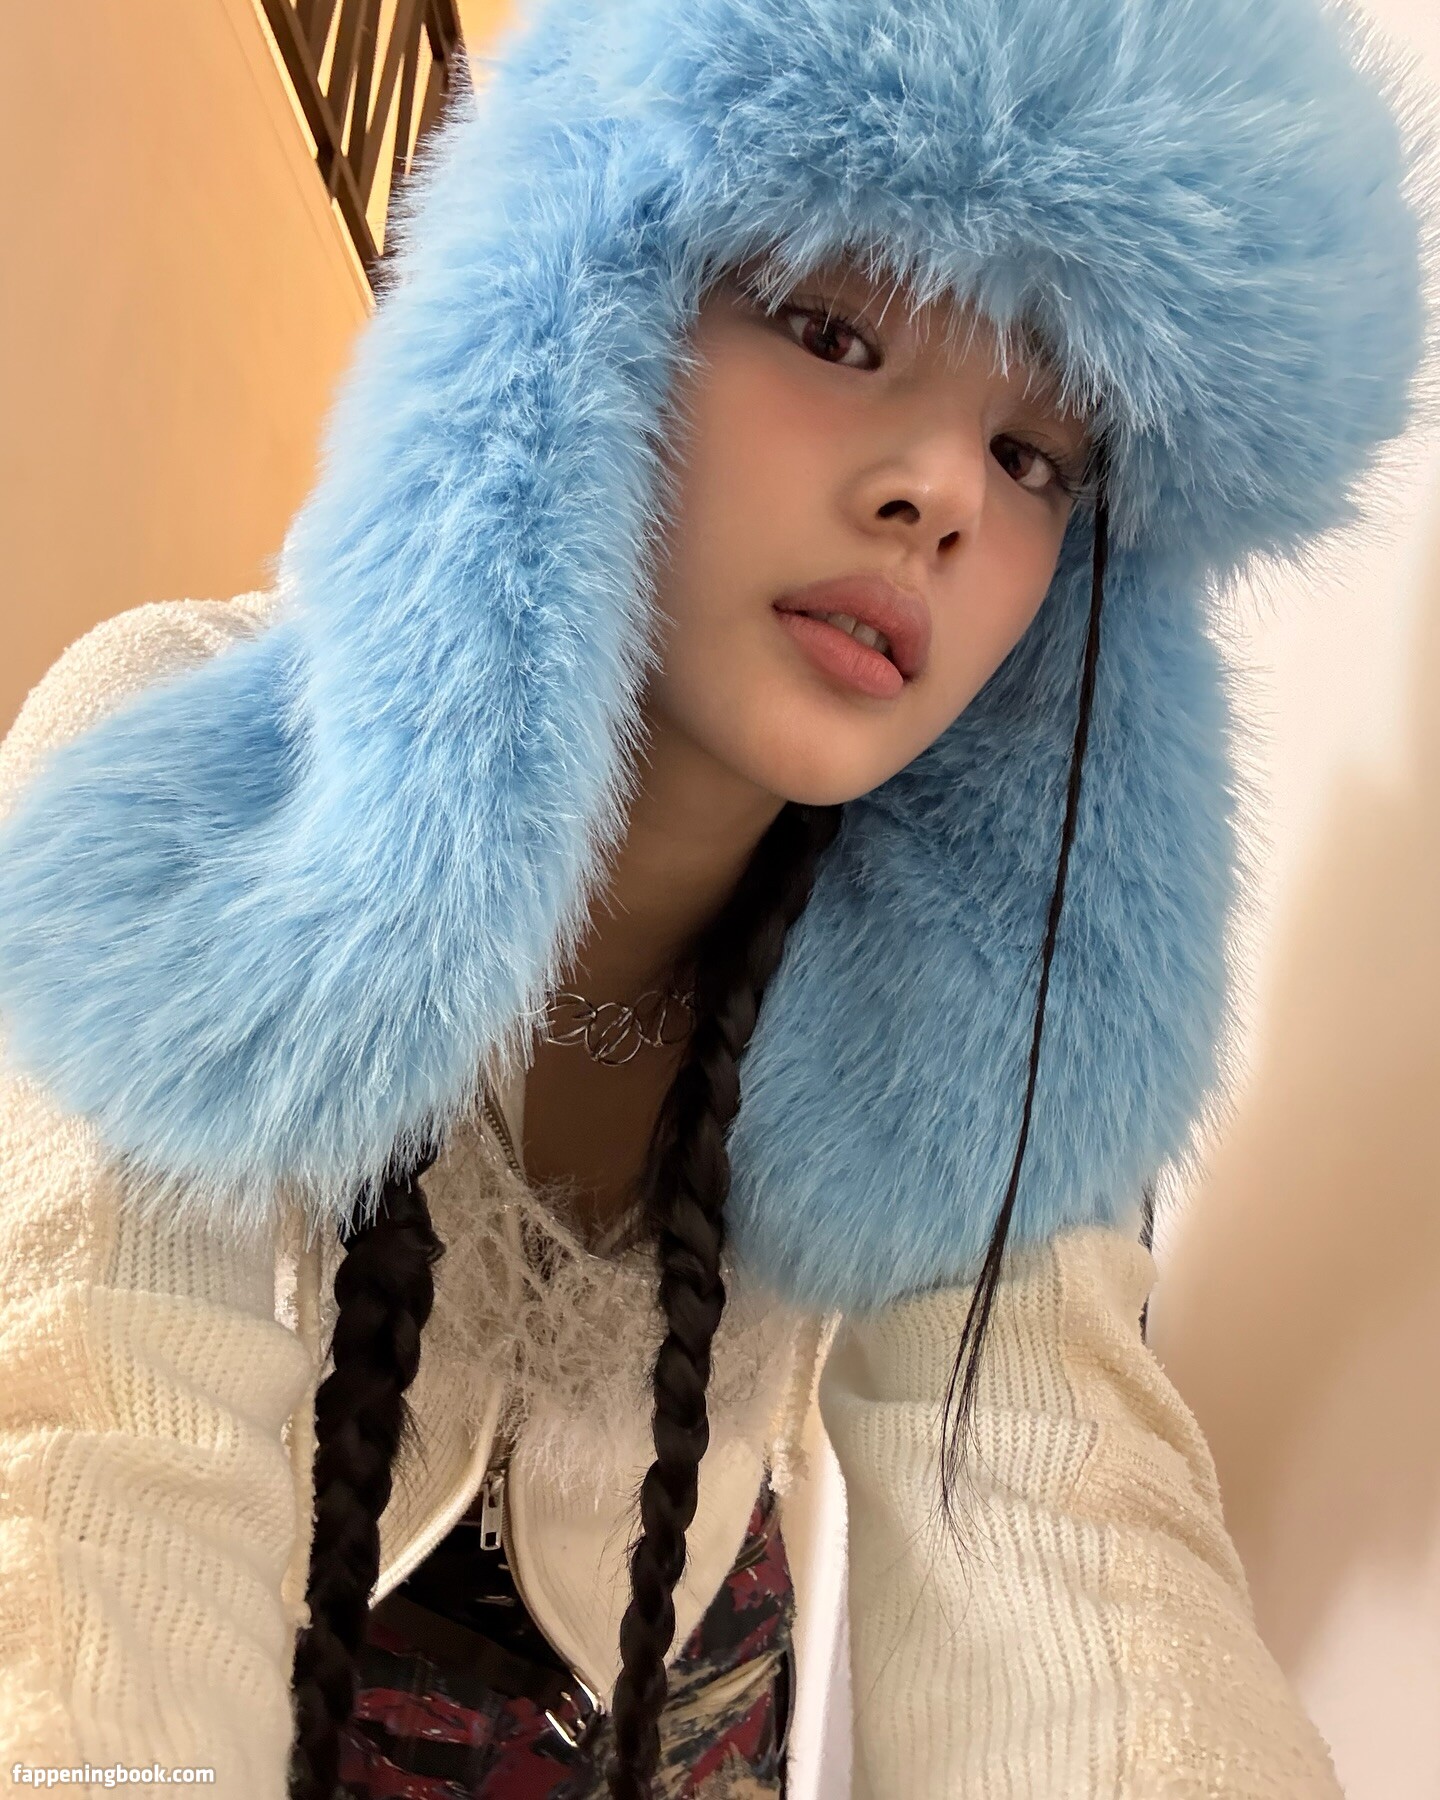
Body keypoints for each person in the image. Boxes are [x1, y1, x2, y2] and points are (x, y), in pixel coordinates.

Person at [0, 0, 1434, 1795]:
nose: (939, 494)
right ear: (582, 315)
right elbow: (82, 1448)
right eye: (833, 330)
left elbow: (1066, 1529)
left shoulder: (977, 979)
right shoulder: (182, 750)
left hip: (685, 1703)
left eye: (1033, 458)